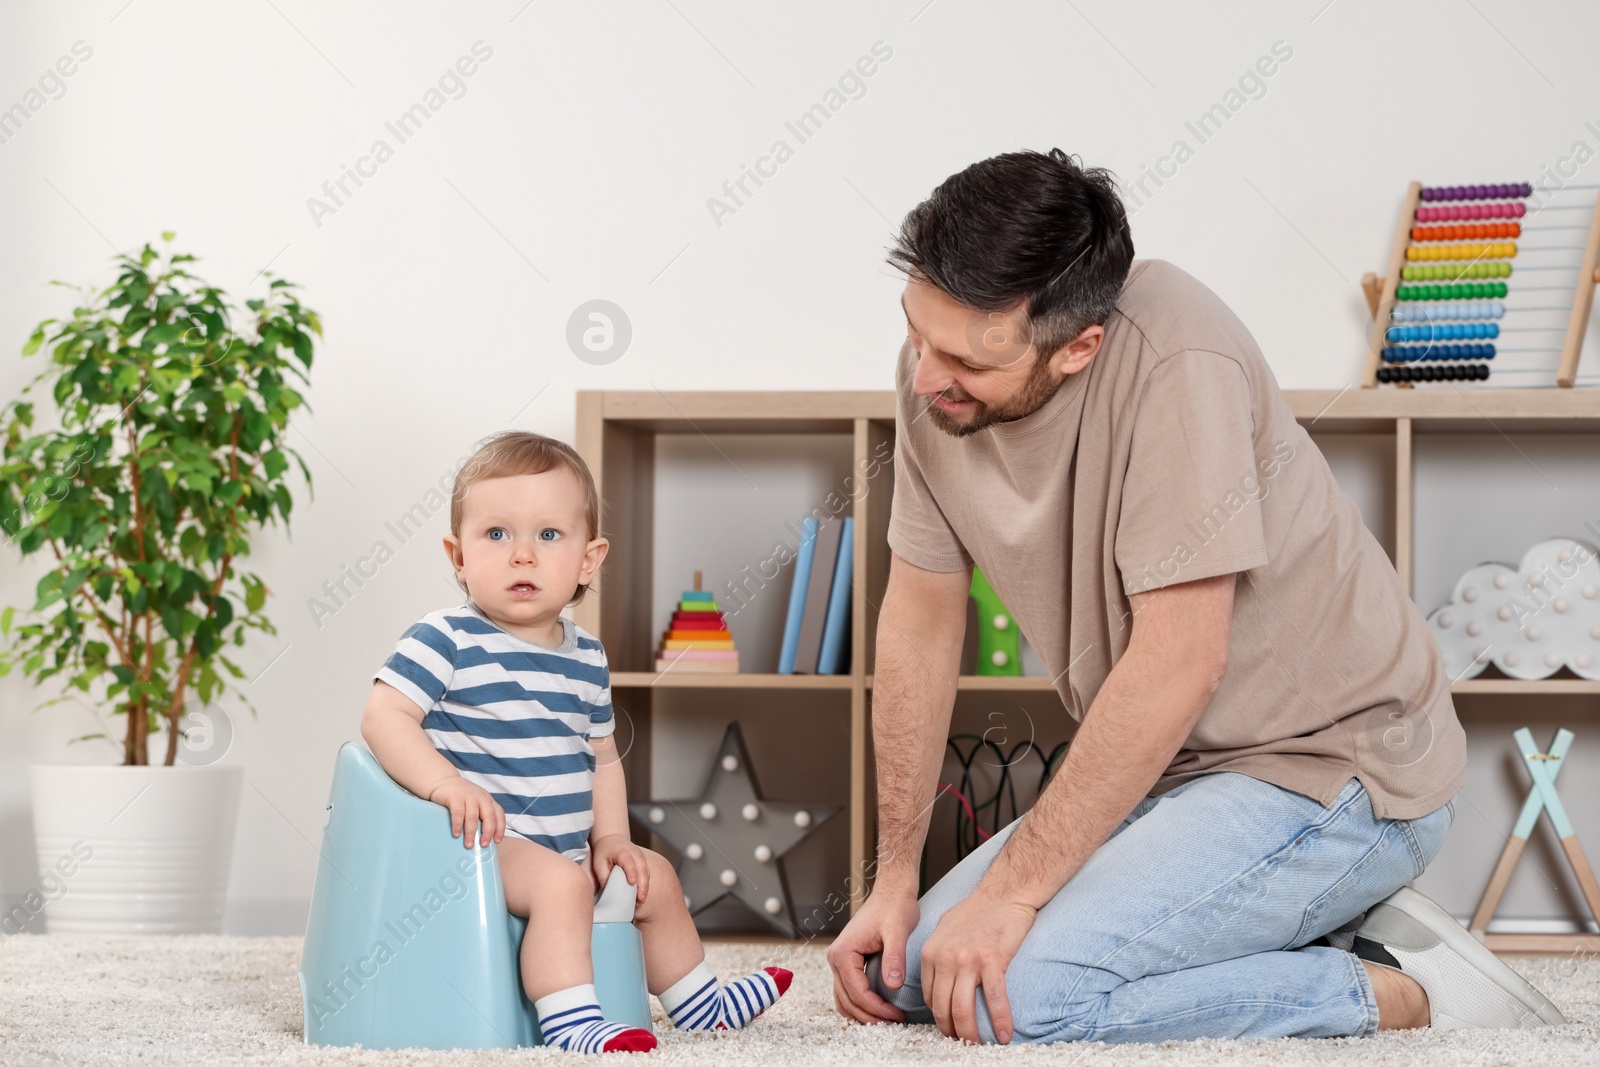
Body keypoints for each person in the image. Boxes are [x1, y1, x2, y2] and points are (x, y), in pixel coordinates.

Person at [825, 149, 1567, 1044]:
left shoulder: (1178, 356)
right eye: (917, 333)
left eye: (963, 360)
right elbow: (918, 621)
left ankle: (1383, 984)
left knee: (1006, 996)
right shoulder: (935, 379)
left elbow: (1182, 659)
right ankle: (1277, 918)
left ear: (1079, 349)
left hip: (1336, 770)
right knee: (908, 975)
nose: (925, 375)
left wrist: (1015, 894)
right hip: (1172, 768)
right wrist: (894, 876)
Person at [361, 431, 791, 1053]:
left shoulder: (585, 655)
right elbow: (384, 717)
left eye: (549, 535)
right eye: (497, 534)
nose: (523, 556)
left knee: (656, 877)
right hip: (475, 848)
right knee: (561, 888)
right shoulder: (444, 637)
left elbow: (602, 757)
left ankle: (699, 1003)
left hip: (563, 850)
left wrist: (613, 839)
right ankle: (568, 1019)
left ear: (589, 560)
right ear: (458, 556)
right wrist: (447, 785)